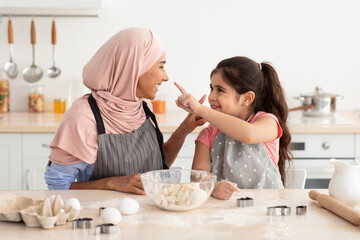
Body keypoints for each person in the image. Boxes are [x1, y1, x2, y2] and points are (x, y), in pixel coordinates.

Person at [44, 27, 206, 195]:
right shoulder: (84, 117)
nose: (166, 77)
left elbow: (157, 169)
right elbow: (58, 186)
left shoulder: (143, 108)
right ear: (135, 67)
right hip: (101, 215)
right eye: (160, 67)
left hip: (147, 215)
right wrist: (112, 183)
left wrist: (184, 130)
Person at [175, 56, 293, 200]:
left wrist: (200, 109)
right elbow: (198, 176)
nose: (211, 96)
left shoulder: (267, 121)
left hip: (267, 209)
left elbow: (249, 134)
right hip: (224, 212)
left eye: (220, 90)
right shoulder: (209, 133)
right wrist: (213, 187)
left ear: (247, 98)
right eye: (212, 88)